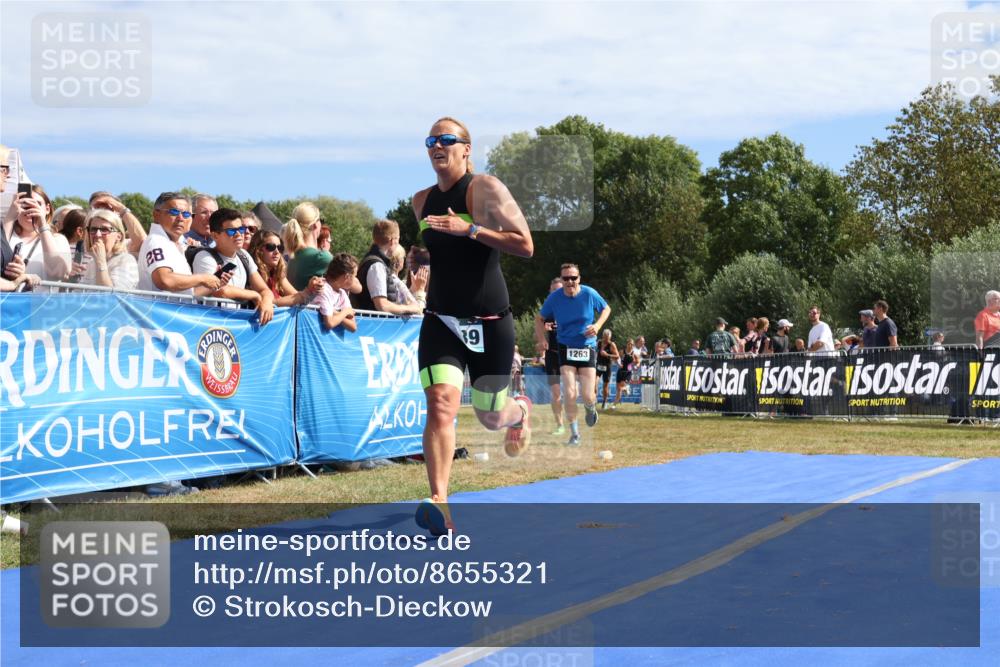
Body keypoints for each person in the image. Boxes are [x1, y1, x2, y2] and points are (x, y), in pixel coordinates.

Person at [411, 116, 533, 535]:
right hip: (440, 320)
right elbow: (443, 255)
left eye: (446, 139)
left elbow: (525, 244)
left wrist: (472, 229)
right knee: (441, 403)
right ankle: (440, 501)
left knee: (491, 416)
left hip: (490, 321)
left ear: (466, 149)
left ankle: (519, 412)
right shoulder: (421, 201)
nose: (437, 146)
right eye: (431, 140)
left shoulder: (486, 188)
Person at [535, 263, 611, 444]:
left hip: (587, 347)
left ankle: (590, 408)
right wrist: (542, 339)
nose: (570, 281)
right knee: (569, 393)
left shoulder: (589, 293)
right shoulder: (555, 298)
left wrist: (597, 326)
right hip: (565, 346)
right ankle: (575, 434)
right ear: (562, 280)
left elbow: (606, 309)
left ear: (579, 278)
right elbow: (539, 318)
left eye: (573, 278)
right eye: (566, 278)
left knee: (587, 394)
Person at [190, 208, 274, 324]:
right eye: (231, 231)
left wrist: (267, 302)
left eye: (241, 229)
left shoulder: (243, 255)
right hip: (212, 324)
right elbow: (220, 291)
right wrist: (254, 295)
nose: (239, 234)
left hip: (236, 325)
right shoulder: (205, 257)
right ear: (215, 235)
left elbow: (264, 289)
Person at [137, 192, 222, 295]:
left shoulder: (177, 244)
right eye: (174, 212)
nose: (181, 218)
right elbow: (164, 280)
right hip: (158, 305)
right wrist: (202, 278)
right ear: (156, 215)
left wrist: (214, 280)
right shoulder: (156, 241)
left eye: (186, 214)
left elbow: (188, 294)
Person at [351, 219, 423, 315]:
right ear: (392, 241)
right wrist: (410, 308)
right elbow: (382, 305)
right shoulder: (377, 266)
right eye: (398, 240)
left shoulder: (373, 262)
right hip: (375, 323)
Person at [3, 183, 71, 281]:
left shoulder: (58, 239)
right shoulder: (6, 232)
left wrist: (42, 225)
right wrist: (10, 217)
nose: (31, 208)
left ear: (47, 209)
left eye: (37, 204)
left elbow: (59, 273)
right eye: (25, 204)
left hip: (41, 292)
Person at [69, 209, 139, 289]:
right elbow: (80, 293)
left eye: (105, 230)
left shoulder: (126, 260)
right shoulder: (92, 262)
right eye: (93, 229)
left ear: (119, 236)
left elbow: (113, 295)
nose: (97, 234)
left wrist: (101, 263)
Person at [248, 230, 320, 307]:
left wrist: (311, 289)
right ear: (258, 250)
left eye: (280, 248)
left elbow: (296, 295)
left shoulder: (276, 273)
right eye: (271, 247)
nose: (277, 252)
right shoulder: (253, 273)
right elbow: (270, 303)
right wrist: (306, 293)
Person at [538, 277, 566, 435]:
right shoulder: (546, 311)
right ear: (549, 292)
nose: (556, 292)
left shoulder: (570, 308)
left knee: (572, 391)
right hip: (552, 356)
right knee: (555, 393)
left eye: (559, 290)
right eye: (553, 290)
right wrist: (543, 333)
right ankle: (560, 425)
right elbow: (537, 334)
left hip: (568, 354)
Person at [286, 202, 331, 290]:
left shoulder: (293, 256)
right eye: (320, 220)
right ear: (315, 225)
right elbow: (354, 284)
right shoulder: (321, 257)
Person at [316, 253, 358, 332]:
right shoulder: (323, 288)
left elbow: (353, 327)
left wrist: (333, 312)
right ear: (347, 276)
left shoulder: (342, 293)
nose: (355, 280)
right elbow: (330, 323)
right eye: (354, 276)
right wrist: (345, 312)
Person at [611, 338, 638, 410]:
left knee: (620, 388)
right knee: (618, 389)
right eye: (629, 344)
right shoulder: (622, 351)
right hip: (620, 371)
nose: (630, 345)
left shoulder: (634, 354)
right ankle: (615, 404)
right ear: (627, 344)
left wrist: (636, 365)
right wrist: (618, 363)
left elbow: (638, 361)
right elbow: (616, 358)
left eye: (632, 344)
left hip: (628, 372)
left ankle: (614, 405)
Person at [596, 328, 619, 409]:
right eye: (605, 337)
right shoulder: (599, 342)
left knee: (605, 385)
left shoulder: (612, 345)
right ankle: (593, 400)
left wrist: (607, 355)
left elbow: (617, 356)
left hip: (607, 366)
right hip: (598, 365)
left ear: (610, 337)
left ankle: (604, 402)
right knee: (594, 383)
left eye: (608, 338)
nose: (606, 339)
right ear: (603, 336)